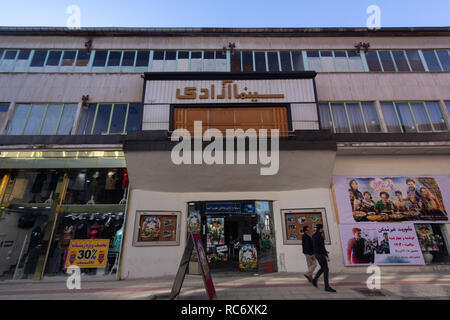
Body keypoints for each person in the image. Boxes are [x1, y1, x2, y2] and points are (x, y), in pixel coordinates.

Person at [311, 224, 336, 292]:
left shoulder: (314, 235)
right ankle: (327, 286)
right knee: (326, 269)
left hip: (316, 254)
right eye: (322, 228)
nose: (323, 229)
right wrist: (326, 256)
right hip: (320, 254)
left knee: (322, 268)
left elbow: (316, 246)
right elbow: (322, 247)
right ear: (320, 229)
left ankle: (314, 280)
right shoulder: (320, 236)